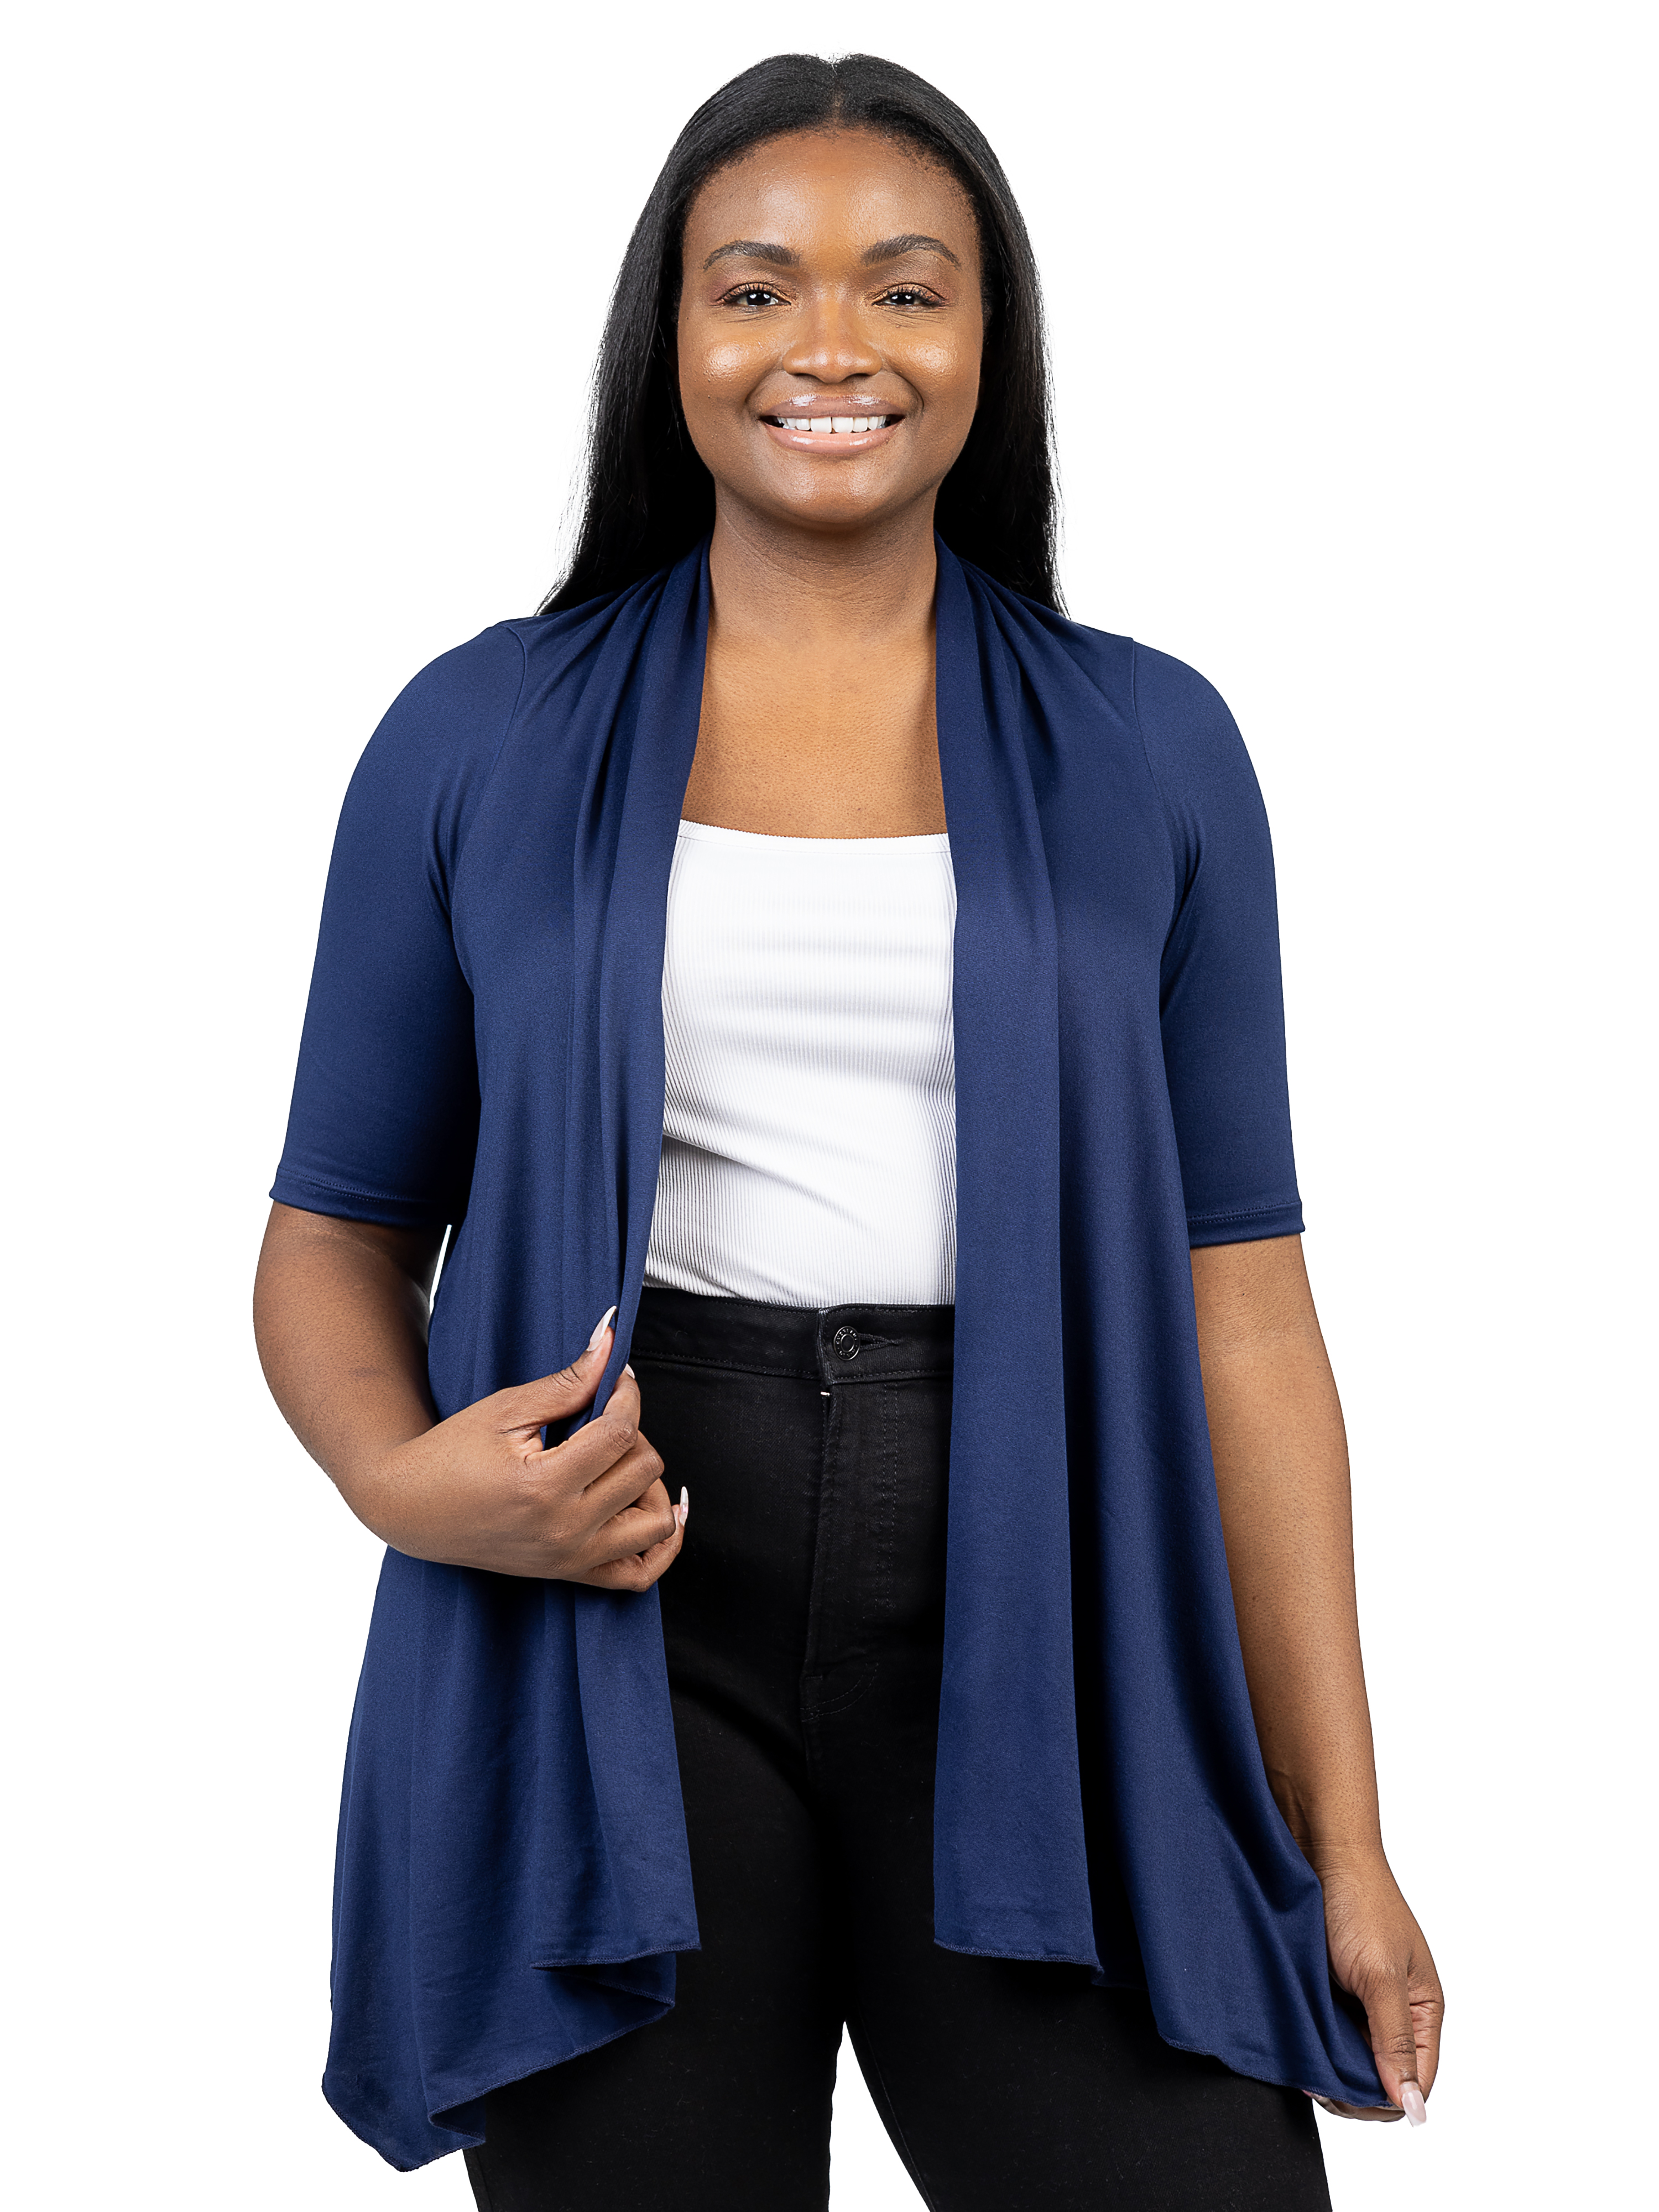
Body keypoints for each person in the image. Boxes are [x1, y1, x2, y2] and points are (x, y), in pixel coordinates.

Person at [254, 50, 1443, 2212]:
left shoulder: (1153, 745)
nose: (830, 346)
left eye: (904, 288)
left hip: (1053, 1595)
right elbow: (335, 1230)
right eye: (756, 288)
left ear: (989, 342)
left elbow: (1246, 1312)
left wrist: (1342, 1840)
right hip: (615, 1609)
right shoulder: (477, 733)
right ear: (672, 338)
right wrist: (401, 1479)